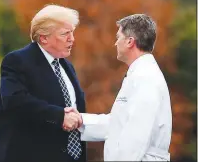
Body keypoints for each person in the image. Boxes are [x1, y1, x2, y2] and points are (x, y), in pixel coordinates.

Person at [65, 14, 172, 161]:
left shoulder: (145, 78)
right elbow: (118, 124)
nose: (115, 43)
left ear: (130, 41)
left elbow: (136, 135)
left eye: (118, 37)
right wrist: (81, 120)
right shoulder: (139, 74)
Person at [0, 4, 86, 162]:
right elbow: (14, 101)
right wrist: (59, 116)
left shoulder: (67, 65)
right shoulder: (17, 61)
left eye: (72, 32)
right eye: (65, 34)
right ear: (43, 38)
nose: (72, 39)